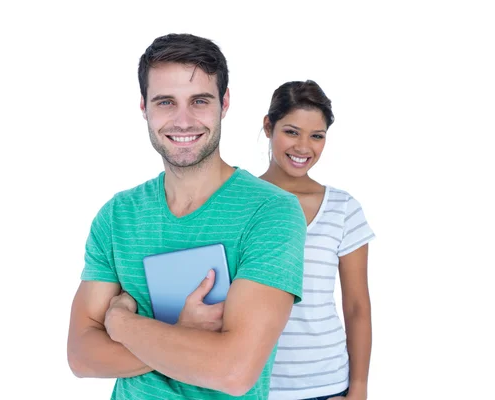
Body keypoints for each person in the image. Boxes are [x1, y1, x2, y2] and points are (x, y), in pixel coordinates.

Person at [67, 33, 307, 400]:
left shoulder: (272, 211)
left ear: (224, 103)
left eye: (199, 101)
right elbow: (82, 357)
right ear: (144, 107)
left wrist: (122, 322)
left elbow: (235, 371)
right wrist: (184, 333)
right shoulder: (118, 215)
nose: (183, 120)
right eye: (165, 102)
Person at [258, 80, 375, 400]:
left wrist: (359, 389)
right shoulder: (236, 201)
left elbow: (356, 307)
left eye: (317, 136)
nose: (303, 147)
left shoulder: (343, 208)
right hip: (252, 385)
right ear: (269, 127)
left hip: (328, 384)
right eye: (292, 132)